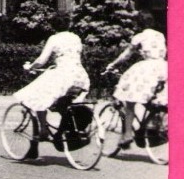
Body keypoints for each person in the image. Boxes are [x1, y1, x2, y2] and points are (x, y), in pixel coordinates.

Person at [14, 14, 90, 140]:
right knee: (64, 102)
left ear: (53, 26)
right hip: (80, 75)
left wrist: (31, 66)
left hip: (63, 75)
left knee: (37, 96)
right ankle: (67, 127)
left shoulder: (54, 39)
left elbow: (42, 60)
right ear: (68, 24)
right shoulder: (76, 38)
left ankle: (43, 130)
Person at [105, 12, 167, 148]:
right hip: (164, 67)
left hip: (149, 68)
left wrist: (113, 64)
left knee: (129, 99)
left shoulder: (139, 37)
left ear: (138, 24)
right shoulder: (160, 35)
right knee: (151, 99)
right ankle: (149, 126)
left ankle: (127, 134)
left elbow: (126, 54)